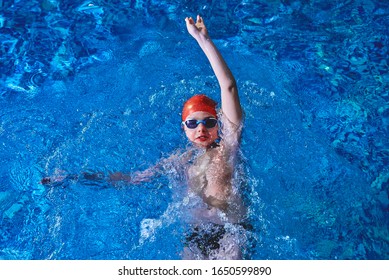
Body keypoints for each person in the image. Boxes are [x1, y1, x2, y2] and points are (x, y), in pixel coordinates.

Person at [41, 15, 247, 260]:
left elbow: (229, 87)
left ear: (220, 124)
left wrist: (203, 40)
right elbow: (130, 179)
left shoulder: (227, 149)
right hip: (195, 233)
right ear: (184, 128)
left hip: (230, 231)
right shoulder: (178, 160)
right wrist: (76, 178)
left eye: (209, 122)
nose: (201, 129)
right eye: (193, 123)